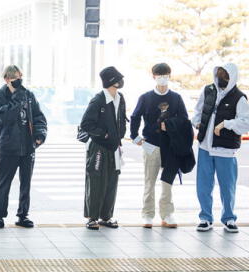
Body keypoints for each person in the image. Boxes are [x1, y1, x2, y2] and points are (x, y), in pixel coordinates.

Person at [192, 63, 249, 233]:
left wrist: (227, 124)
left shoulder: (239, 97)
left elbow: (245, 123)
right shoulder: (208, 90)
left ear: (232, 77)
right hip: (205, 146)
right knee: (203, 185)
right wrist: (196, 123)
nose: (221, 79)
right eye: (219, 75)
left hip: (225, 149)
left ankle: (229, 218)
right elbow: (198, 110)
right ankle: (205, 218)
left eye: (225, 76)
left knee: (227, 186)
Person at [130, 63, 188, 228]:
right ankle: (147, 214)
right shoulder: (146, 97)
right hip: (151, 144)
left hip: (171, 146)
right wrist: (135, 137)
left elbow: (184, 119)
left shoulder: (176, 98)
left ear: (170, 76)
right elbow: (135, 117)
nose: (163, 78)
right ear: (153, 76)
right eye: (159, 75)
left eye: (166, 75)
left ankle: (167, 214)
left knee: (167, 181)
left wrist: (169, 125)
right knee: (149, 181)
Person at [0, 65, 47, 229]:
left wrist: (40, 136)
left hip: (28, 146)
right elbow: (5, 117)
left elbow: (39, 117)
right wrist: (16, 97)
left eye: (18, 77)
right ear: (6, 79)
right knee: (3, 182)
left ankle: (23, 215)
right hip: (8, 146)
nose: (16, 80)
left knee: (26, 183)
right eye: (12, 77)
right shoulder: (0, 96)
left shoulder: (29, 95)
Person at [80, 66, 127, 230]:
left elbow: (121, 119)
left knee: (112, 181)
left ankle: (106, 216)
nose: (121, 81)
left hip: (114, 147)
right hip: (98, 147)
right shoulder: (98, 100)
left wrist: (119, 135)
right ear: (111, 82)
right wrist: (104, 134)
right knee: (96, 180)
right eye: (118, 79)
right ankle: (92, 217)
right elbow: (86, 123)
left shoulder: (120, 98)